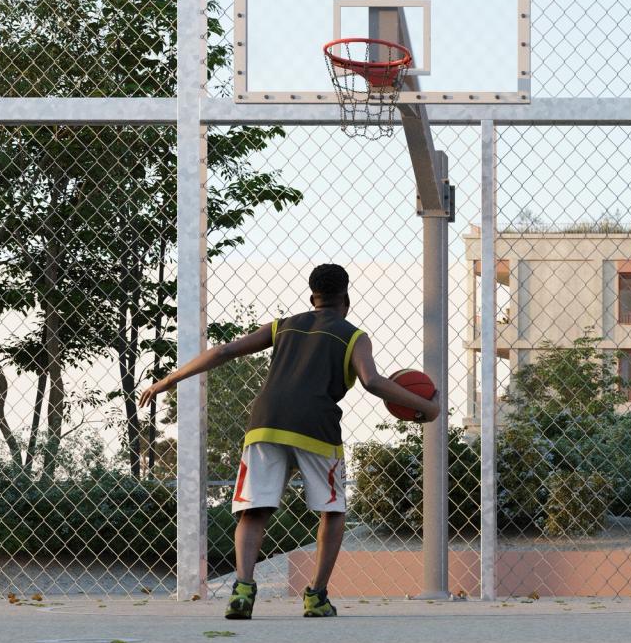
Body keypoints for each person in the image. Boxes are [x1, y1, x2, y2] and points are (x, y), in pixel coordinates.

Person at [138, 262, 437, 621]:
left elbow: (222, 352)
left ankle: (243, 590)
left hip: (267, 421)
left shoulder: (283, 326)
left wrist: (168, 380)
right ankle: (316, 596)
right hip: (316, 424)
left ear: (313, 297)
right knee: (332, 510)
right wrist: (426, 407)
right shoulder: (354, 336)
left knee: (254, 510)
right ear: (347, 299)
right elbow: (372, 380)